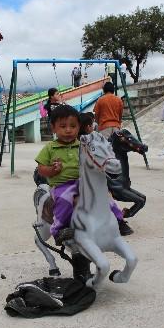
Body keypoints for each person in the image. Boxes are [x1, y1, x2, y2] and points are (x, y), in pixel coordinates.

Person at [35, 105, 130, 244]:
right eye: (63, 126)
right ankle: (59, 230)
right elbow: (41, 169)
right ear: (53, 128)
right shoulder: (50, 147)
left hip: (83, 182)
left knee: (105, 194)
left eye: (73, 126)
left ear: (79, 127)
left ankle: (119, 219)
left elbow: (94, 159)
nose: (68, 130)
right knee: (65, 201)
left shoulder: (83, 145)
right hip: (62, 185)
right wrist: (52, 170)